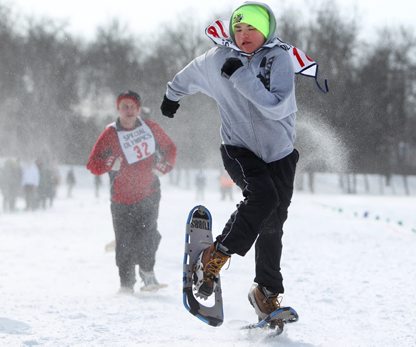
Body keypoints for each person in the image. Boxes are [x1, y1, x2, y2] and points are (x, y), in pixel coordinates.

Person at [160, 2, 307, 321]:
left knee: (273, 222)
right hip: (238, 149)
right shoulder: (218, 59)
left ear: (267, 30)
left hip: (280, 154)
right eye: (238, 29)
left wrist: (241, 78)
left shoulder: (279, 58)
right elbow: (190, 73)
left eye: (252, 28)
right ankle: (213, 257)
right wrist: (172, 95)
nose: (244, 35)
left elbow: (276, 106)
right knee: (263, 197)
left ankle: (266, 293)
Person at [87, 90, 177, 293]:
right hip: (121, 198)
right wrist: (111, 163)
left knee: (149, 234)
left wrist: (163, 167)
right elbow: (93, 165)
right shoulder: (110, 133)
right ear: (118, 109)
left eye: (132, 107)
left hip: (149, 193)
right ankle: (126, 284)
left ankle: (148, 276)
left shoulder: (150, 128)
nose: (128, 111)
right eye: (124, 107)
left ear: (138, 109)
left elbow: (170, 149)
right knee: (125, 241)